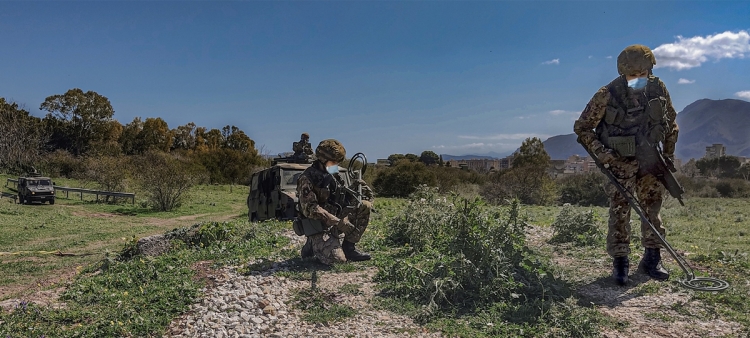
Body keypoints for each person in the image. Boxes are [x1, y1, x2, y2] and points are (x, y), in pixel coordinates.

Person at [573, 45, 679, 286]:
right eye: (634, 74)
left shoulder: (658, 88)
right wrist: (603, 154)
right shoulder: (607, 94)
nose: (639, 78)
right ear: (623, 72)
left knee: (652, 210)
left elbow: (671, 123)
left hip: (651, 160)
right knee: (620, 212)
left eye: (644, 73)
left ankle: (652, 260)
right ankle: (620, 263)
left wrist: (668, 155)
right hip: (620, 163)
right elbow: (582, 128)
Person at [296, 139, 374, 265]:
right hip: (319, 226)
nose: (336, 165)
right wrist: (339, 223)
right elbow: (311, 208)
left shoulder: (332, 173)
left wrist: (358, 188)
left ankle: (349, 248)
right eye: (334, 162)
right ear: (322, 159)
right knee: (337, 260)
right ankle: (311, 244)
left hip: (336, 220)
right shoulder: (307, 178)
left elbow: (343, 193)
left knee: (364, 206)